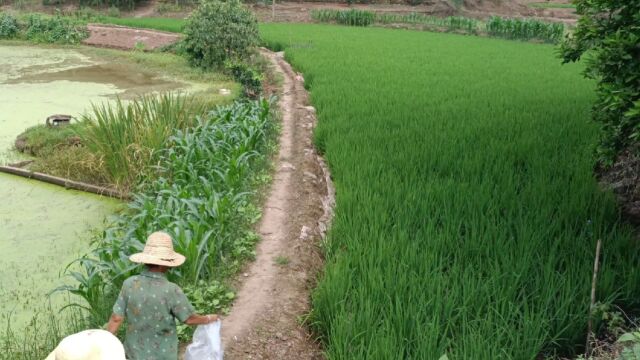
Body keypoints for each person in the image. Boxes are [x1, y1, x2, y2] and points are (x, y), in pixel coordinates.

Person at [106, 231, 219, 360]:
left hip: (133, 354)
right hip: (163, 355)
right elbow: (189, 319)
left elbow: (116, 318)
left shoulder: (129, 284)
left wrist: (104, 342)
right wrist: (209, 318)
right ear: (164, 264)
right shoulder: (171, 290)